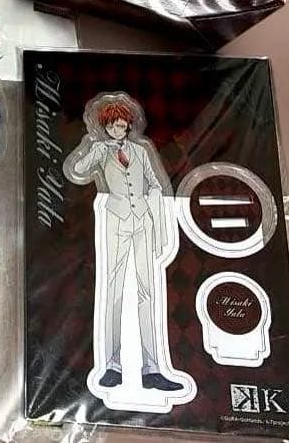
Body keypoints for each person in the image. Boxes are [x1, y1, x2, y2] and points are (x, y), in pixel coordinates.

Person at [65, 95, 186, 393]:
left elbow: (155, 183)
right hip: (116, 221)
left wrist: (153, 208)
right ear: (106, 127)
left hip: (142, 221)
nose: (118, 131)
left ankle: (152, 369)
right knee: (114, 291)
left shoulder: (140, 151)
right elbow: (78, 170)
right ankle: (112, 366)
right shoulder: (101, 150)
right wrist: (95, 149)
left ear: (128, 126)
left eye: (122, 126)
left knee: (147, 291)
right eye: (113, 126)